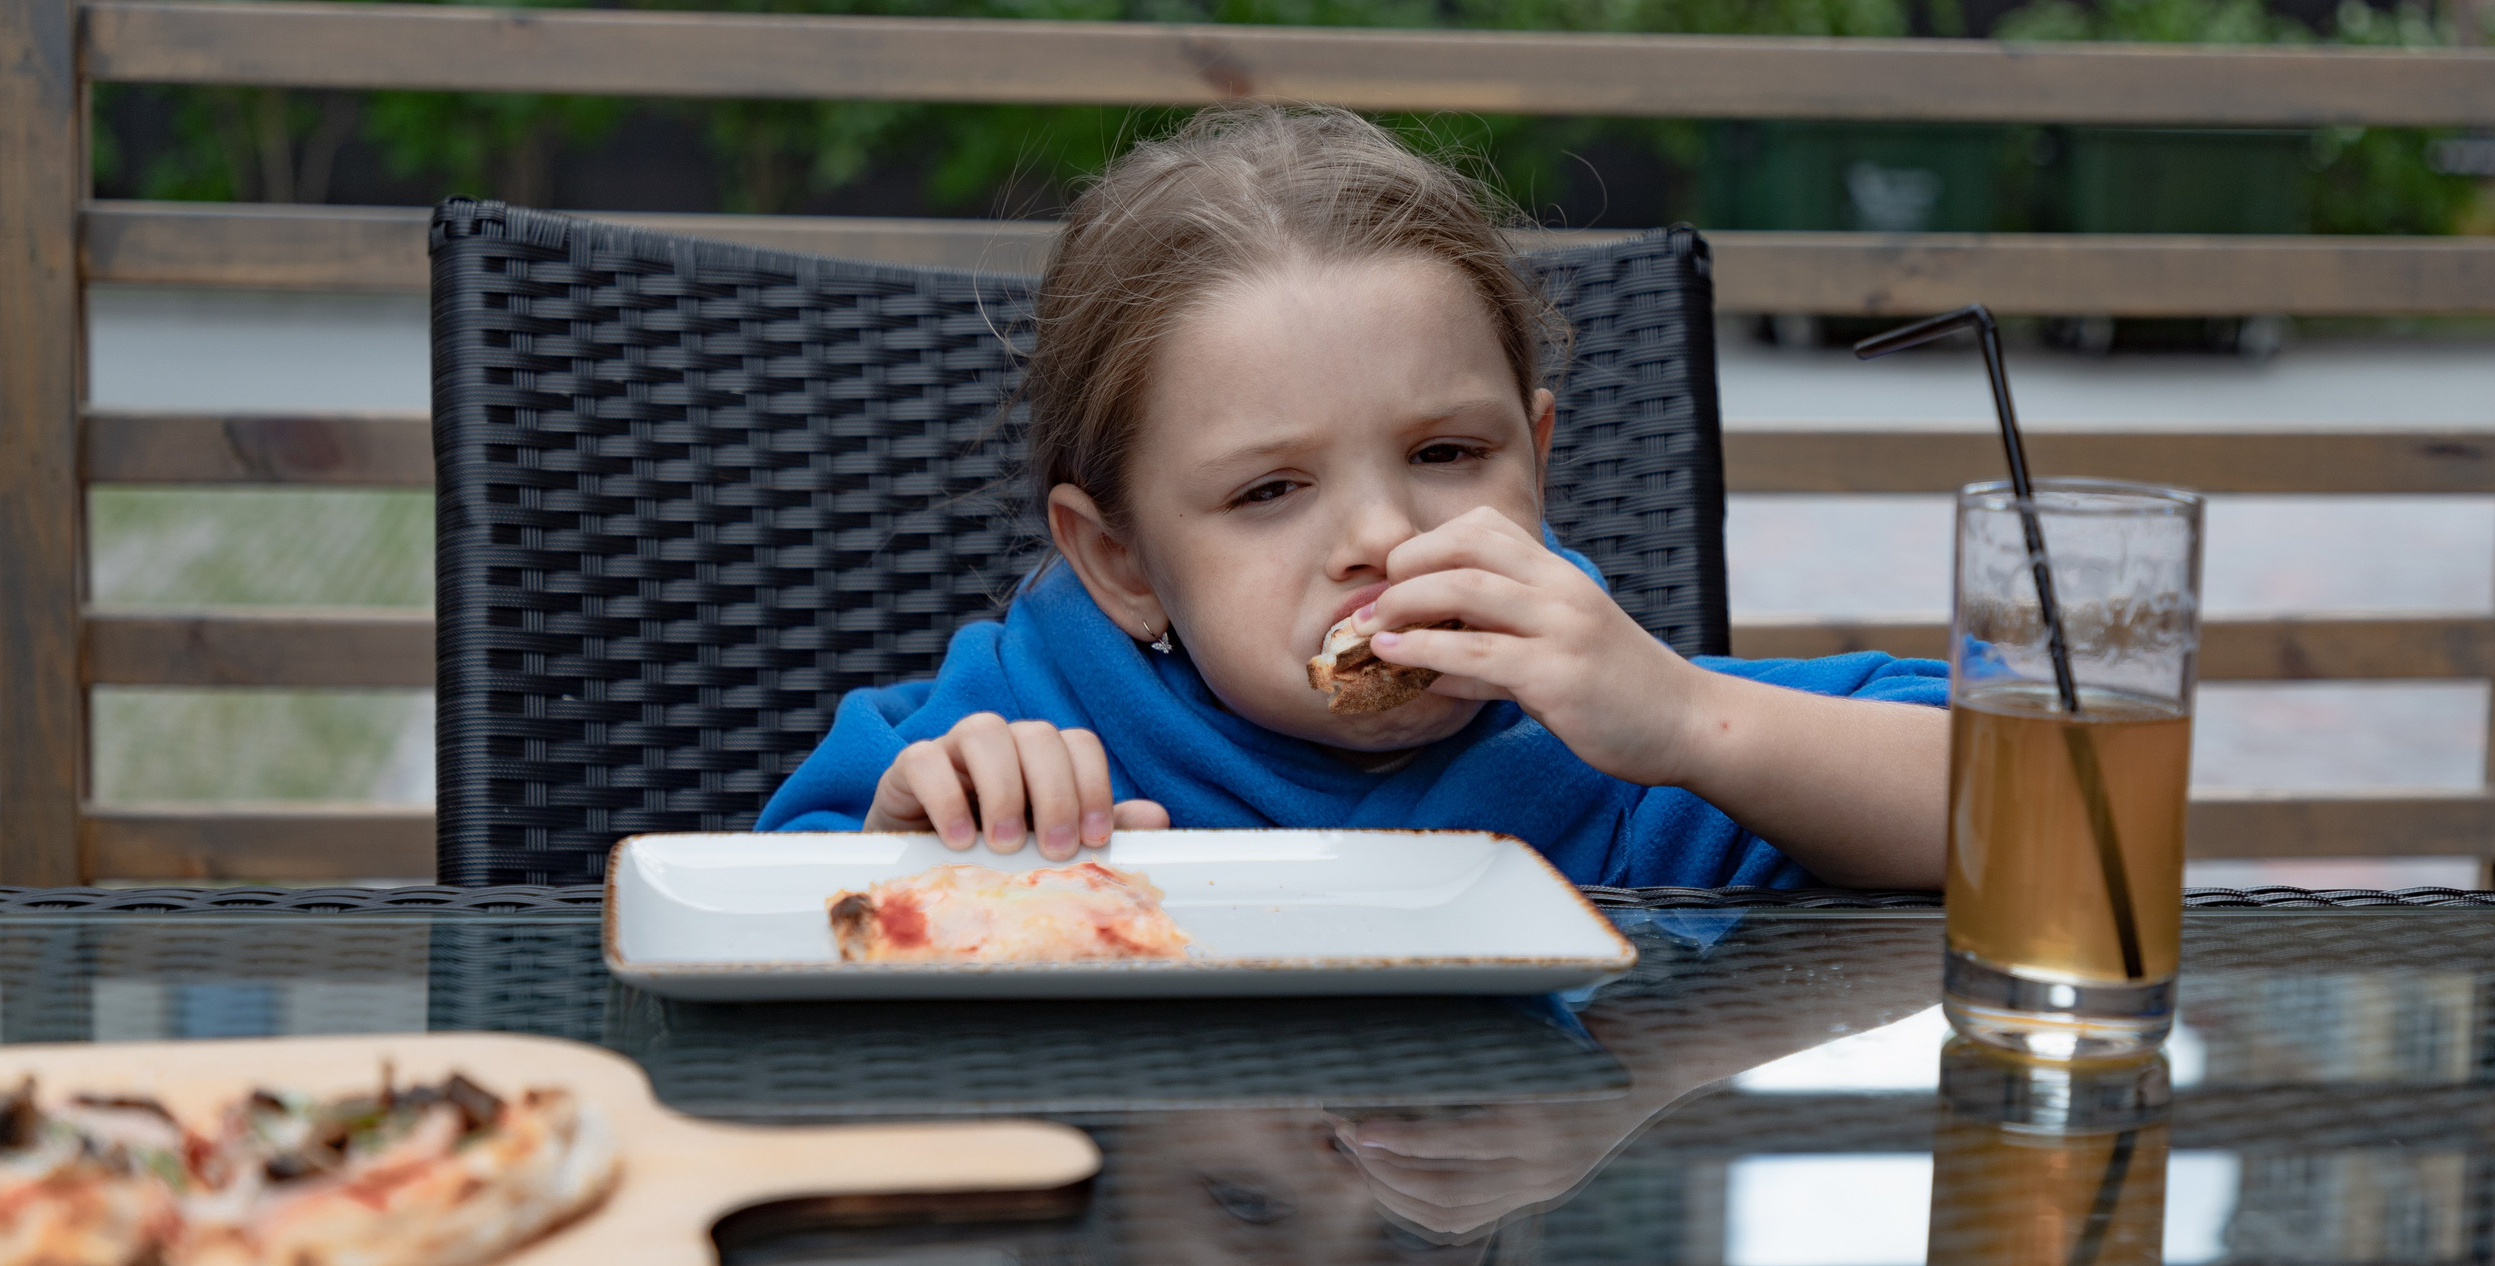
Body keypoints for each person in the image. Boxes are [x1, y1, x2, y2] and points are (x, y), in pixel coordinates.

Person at [757, 105, 1950, 890]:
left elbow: (2027, 811)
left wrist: (1693, 724)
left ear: (1534, 461)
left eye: (1447, 453)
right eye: (1271, 489)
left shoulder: (1625, 751)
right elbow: (762, 923)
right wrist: (904, 866)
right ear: (1119, 561)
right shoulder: (1014, 745)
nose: (1383, 536)